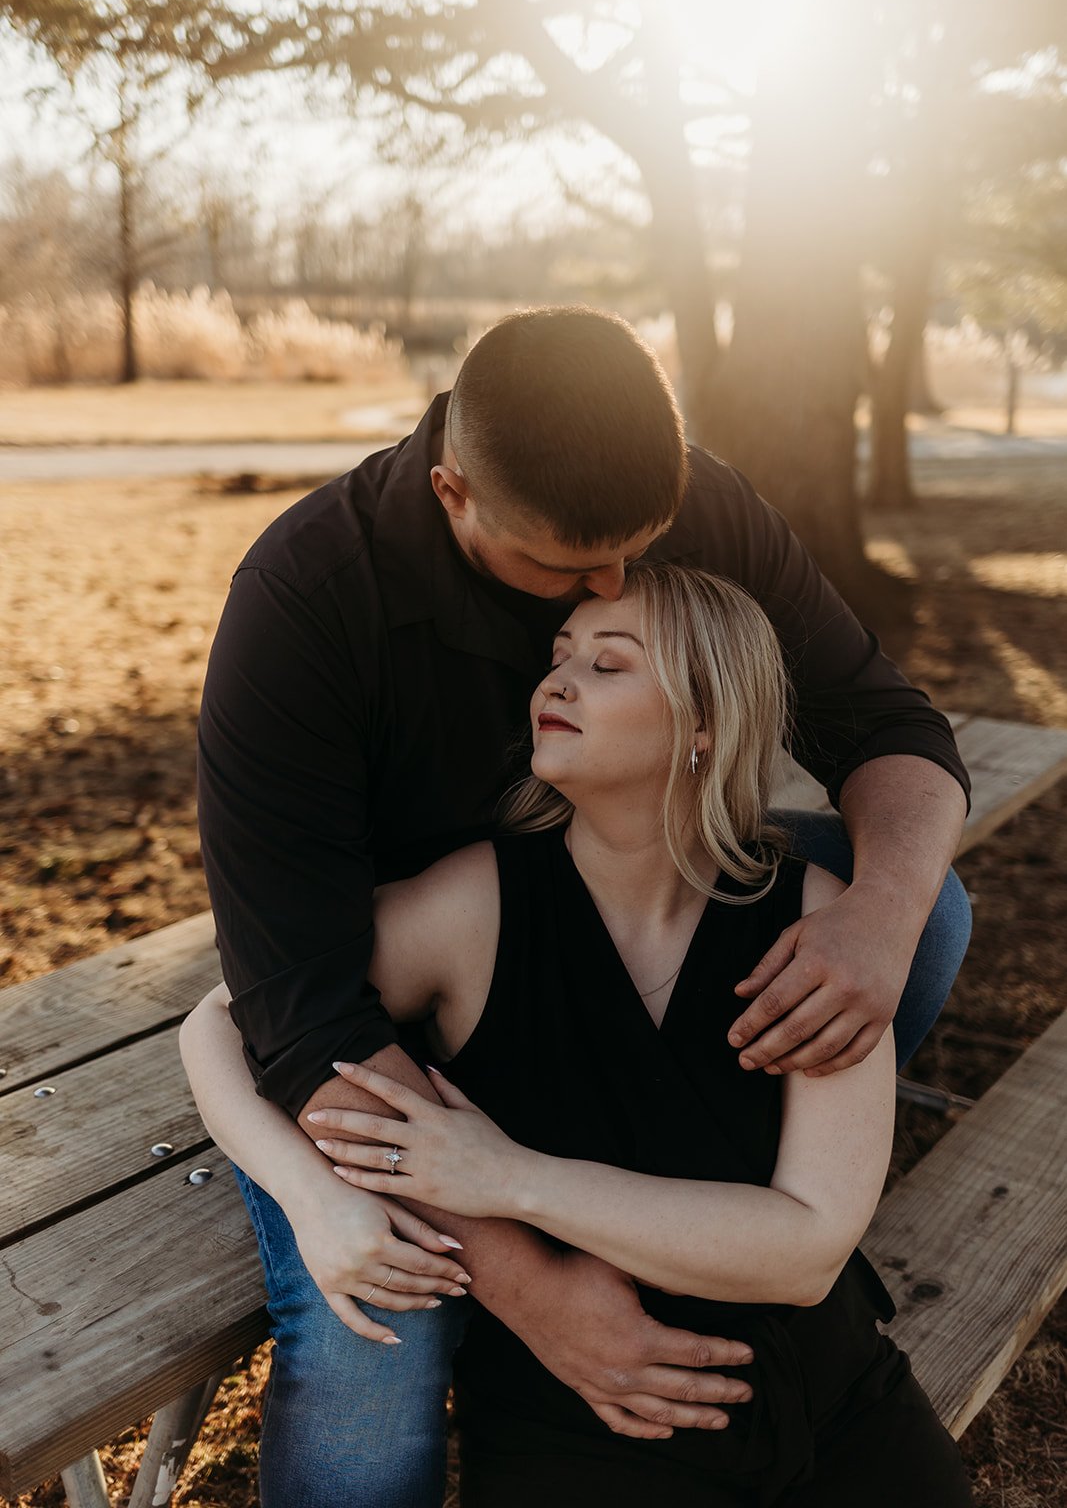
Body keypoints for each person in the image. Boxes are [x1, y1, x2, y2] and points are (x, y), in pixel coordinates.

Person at [196, 306, 972, 1506]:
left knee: (929, 908)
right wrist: (530, 1283)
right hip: (370, 1012)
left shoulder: (676, 500)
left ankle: (727, 1147)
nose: (612, 581)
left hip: (616, 873)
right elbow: (295, 1015)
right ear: (453, 492)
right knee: (374, 1350)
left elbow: (886, 726)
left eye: (635, 553)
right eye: (567, 579)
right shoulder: (304, 601)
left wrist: (876, 923)